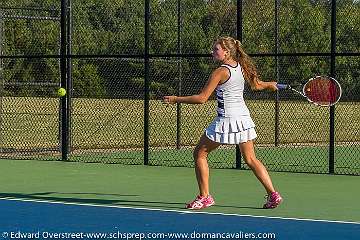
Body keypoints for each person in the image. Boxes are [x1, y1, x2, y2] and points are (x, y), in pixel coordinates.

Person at [163, 36, 282, 210]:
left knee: (199, 154)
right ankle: (273, 194)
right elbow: (257, 86)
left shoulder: (220, 72)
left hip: (227, 120)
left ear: (226, 52)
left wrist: (175, 99)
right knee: (251, 159)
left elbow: (202, 98)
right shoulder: (242, 67)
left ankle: (205, 197)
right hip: (243, 118)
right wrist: (269, 85)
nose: (212, 52)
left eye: (216, 49)